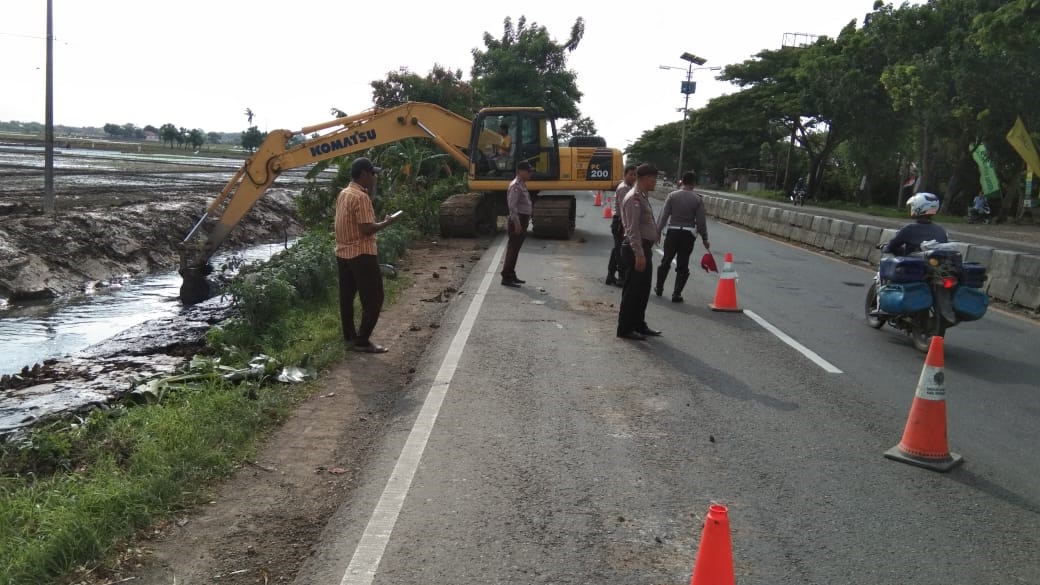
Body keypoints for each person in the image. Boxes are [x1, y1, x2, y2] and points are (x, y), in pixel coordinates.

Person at [334, 157, 398, 353]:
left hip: (343, 252)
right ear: (363, 174)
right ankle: (362, 341)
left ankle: (350, 336)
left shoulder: (344, 193)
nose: (374, 177)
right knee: (374, 297)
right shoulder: (361, 197)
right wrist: (387, 222)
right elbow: (367, 229)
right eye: (372, 174)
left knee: (347, 296)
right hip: (361, 253)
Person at [617, 163, 662, 341]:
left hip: (644, 249)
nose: (655, 183)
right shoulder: (633, 197)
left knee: (643, 291)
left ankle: (639, 325)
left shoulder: (642, 196)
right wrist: (639, 254)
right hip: (636, 249)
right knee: (632, 291)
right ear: (646, 178)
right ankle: (625, 328)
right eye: (654, 179)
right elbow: (632, 228)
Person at [655, 171, 710, 303]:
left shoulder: (672, 196)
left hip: (672, 231)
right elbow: (701, 222)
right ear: (694, 183)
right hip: (688, 234)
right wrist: (705, 238)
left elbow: (664, 216)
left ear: (682, 181)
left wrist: (657, 232)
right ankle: (676, 294)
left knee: (666, 260)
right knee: (683, 263)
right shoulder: (697, 199)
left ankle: (659, 287)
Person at [883, 192, 948, 257]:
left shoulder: (909, 229)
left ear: (919, 207)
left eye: (913, 205)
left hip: (912, 265)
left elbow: (890, 247)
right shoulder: (941, 230)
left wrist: (884, 247)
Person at [501, 161, 533, 287]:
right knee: (513, 249)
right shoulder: (516, 186)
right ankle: (506, 277)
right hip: (518, 219)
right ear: (520, 171)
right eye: (528, 171)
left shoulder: (522, 184)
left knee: (515, 249)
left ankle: (511, 274)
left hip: (522, 219)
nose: (531, 174)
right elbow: (512, 206)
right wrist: (517, 223)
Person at [606, 164, 638, 286]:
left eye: (635, 174)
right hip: (621, 222)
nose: (633, 177)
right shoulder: (624, 188)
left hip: (621, 221)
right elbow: (625, 210)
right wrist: (626, 226)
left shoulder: (630, 187)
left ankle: (610, 275)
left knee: (617, 249)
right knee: (621, 251)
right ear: (625, 175)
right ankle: (621, 276)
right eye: (631, 174)